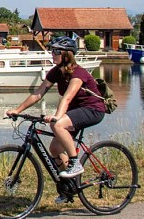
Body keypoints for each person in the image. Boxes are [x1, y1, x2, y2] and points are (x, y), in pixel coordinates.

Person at [6, 36, 105, 203]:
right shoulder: (56, 71)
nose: (52, 54)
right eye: (52, 50)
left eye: (55, 51)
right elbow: (38, 93)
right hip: (76, 111)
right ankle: (69, 187)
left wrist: (58, 117)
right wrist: (17, 110)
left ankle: (75, 163)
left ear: (66, 54)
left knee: (58, 125)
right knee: (55, 149)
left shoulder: (79, 73)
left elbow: (66, 98)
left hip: (93, 109)